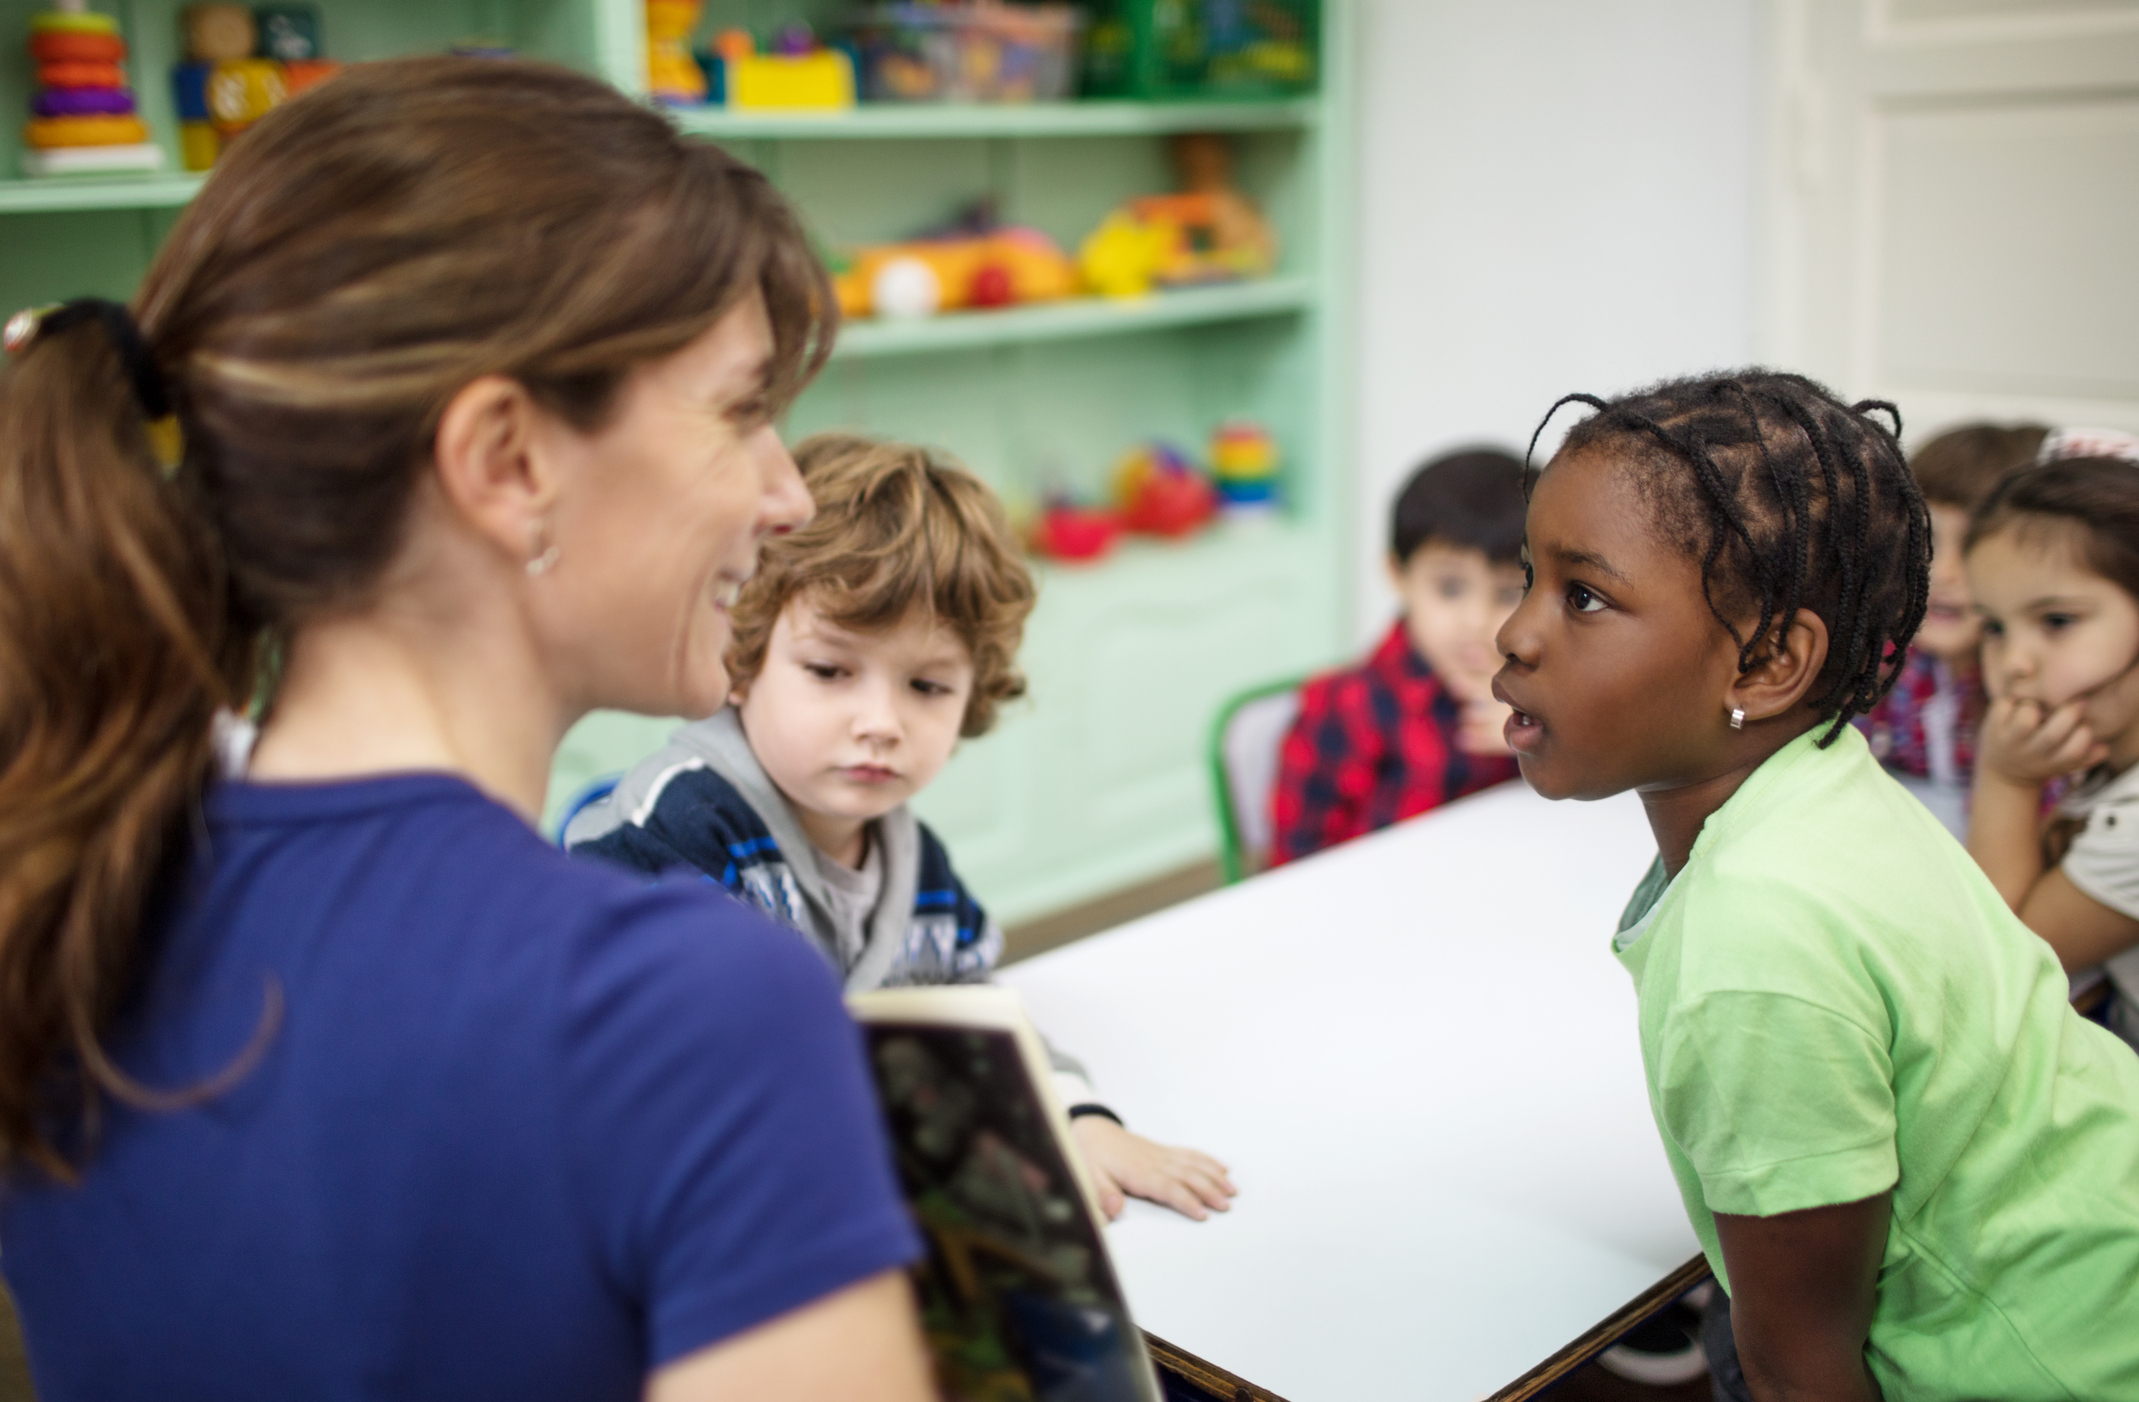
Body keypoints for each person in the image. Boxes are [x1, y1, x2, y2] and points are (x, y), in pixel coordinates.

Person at [0, 60, 937, 1402]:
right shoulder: (688, 1012)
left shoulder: (60, 893)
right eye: (741, 410)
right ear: (507, 462)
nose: (786, 494)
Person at [1495, 370, 2139, 1401]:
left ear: (1767, 663)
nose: (1517, 634)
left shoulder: (1754, 939)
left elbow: (1801, 1369)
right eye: (1528, 576)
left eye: (1584, 596)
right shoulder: (1837, 778)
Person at [567, 433, 1238, 1223]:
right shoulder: (674, 833)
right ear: (739, 657)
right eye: (829, 671)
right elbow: (663, 1089)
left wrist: (1073, 1116)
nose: (881, 722)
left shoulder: (915, 861)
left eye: (926, 684)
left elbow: (966, 1008)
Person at [1268, 447, 1525, 867]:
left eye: (1509, 593)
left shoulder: (1545, 694)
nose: (1476, 621)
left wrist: (1543, 740)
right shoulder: (1347, 707)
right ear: (1397, 574)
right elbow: (1291, 868)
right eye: (1450, 589)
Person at [1964, 455, 2139, 1053]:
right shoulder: (2104, 756)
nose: (2015, 662)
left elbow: (2003, 959)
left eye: (2057, 620)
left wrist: (2006, 777)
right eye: (1993, 627)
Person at [1855, 422, 2045, 817]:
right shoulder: (1877, 661)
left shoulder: (2033, 684)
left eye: (1972, 548)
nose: (1943, 573)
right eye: (1928, 541)